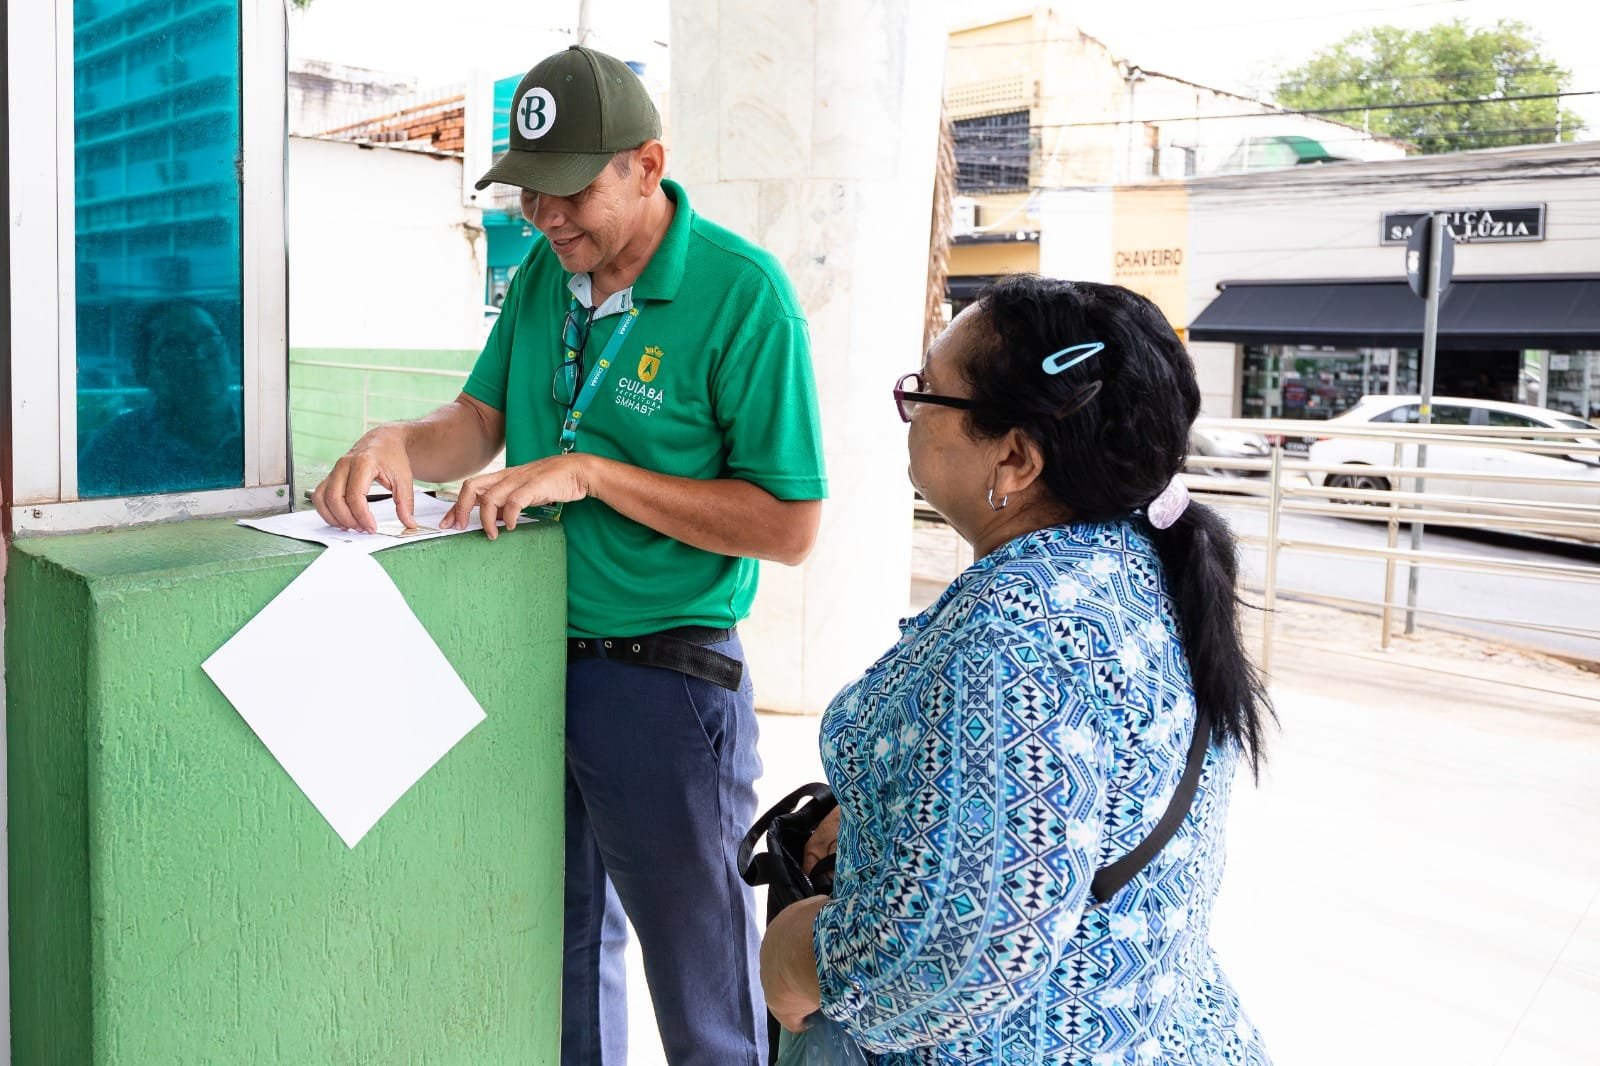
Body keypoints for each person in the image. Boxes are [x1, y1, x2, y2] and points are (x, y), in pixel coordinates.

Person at [312, 45, 827, 1066]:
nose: (547, 221)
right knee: (555, 951)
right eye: (529, 197)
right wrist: (394, 446)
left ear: (647, 163)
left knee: (703, 986)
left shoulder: (741, 293)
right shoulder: (550, 277)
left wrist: (590, 473)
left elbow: (788, 525)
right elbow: (478, 418)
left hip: (663, 681)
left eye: (570, 194)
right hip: (527, 665)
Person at [759, 274, 1273, 1063]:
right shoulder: (1132, 560)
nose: (913, 409)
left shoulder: (1019, 630)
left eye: (928, 393)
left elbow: (959, 948)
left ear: (1015, 457)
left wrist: (800, 958)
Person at [79, 299, 243, 497]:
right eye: (174, 344)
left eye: (208, 337)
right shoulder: (116, 446)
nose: (198, 353)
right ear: (145, 371)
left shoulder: (260, 430)